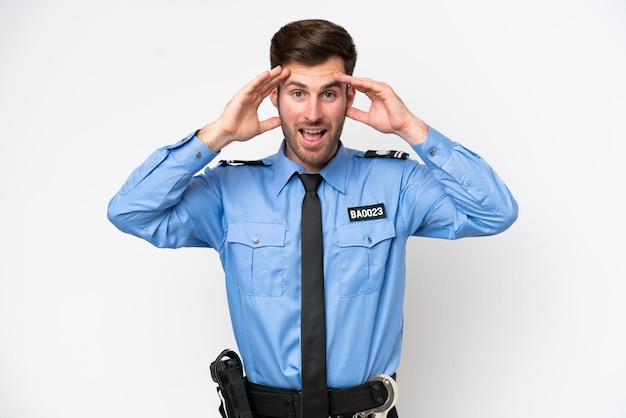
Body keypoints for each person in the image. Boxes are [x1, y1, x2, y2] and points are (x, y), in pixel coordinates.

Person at [107, 18, 518, 418]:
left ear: (350, 98)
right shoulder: (227, 192)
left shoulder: (397, 185)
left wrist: (412, 129)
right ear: (275, 97)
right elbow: (130, 212)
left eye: (329, 94)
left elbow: (495, 213)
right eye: (298, 93)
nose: (314, 114)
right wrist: (216, 135)